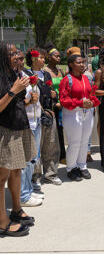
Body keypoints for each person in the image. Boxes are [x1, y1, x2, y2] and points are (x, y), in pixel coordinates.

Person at [0, 42, 36, 237]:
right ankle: (2, 222)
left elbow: (20, 100)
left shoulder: (13, 73)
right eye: (12, 54)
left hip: (18, 126)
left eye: (18, 53)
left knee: (16, 171)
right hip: (5, 131)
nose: (17, 56)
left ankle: (15, 209)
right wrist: (14, 89)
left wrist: (23, 86)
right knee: (1, 178)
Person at [24, 48, 62, 186]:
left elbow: (52, 93)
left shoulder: (46, 75)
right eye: (41, 57)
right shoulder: (27, 75)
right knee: (36, 148)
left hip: (48, 113)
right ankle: (36, 177)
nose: (44, 60)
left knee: (51, 145)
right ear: (33, 59)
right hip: (35, 116)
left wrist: (54, 96)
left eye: (44, 57)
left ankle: (51, 174)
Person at [59, 55, 100, 181]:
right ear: (71, 64)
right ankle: (71, 168)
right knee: (75, 143)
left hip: (87, 112)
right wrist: (80, 103)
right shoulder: (67, 80)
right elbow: (63, 100)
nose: (82, 64)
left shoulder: (86, 78)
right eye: (79, 62)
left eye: (83, 62)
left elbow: (91, 93)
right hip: (73, 113)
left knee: (84, 141)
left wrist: (93, 102)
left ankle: (82, 166)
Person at [17, 50, 43, 207]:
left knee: (33, 159)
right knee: (25, 161)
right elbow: (15, 102)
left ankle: (27, 188)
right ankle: (23, 195)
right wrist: (28, 102)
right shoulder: (13, 79)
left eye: (21, 59)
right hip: (25, 124)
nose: (20, 61)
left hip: (36, 121)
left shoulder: (25, 76)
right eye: (16, 58)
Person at [43, 44, 66, 163]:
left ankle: (62, 155)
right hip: (52, 104)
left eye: (59, 56)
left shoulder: (60, 70)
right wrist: (55, 102)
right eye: (56, 56)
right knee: (53, 133)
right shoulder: (45, 71)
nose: (58, 58)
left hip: (62, 104)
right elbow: (46, 90)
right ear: (49, 57)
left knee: (61, 131)